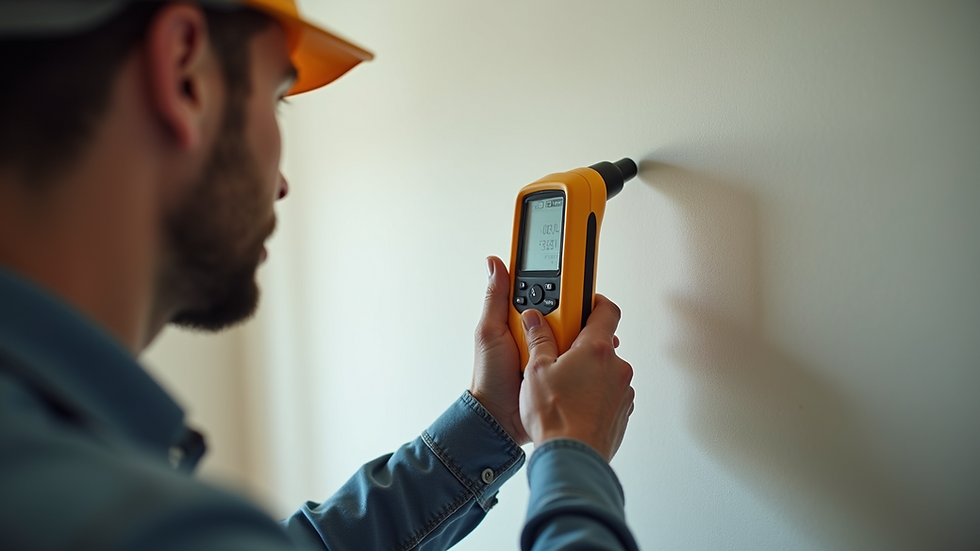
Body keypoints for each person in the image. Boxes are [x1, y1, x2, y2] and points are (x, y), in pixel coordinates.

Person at [0, 1, 637, 549]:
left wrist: (492, 424)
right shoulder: (125, 525)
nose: (280, 185)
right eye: (278, 100)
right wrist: (571, 457)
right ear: (185, 72)